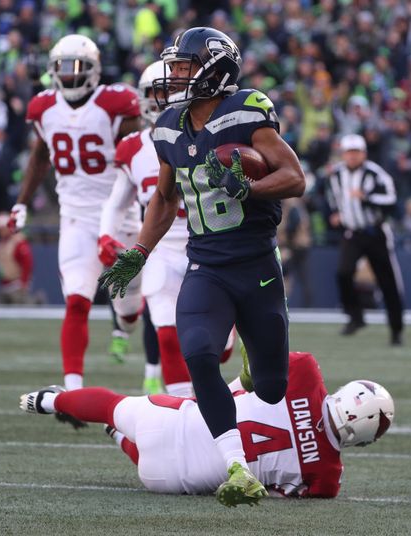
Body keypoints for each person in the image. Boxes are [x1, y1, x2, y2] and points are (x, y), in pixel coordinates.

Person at [98, 27, 306, 507]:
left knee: (273, 389)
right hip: (206, 265)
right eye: (175, 67)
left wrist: (248, 189)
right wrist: (140, 252)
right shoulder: (168, 126)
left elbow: (294, 177)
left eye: (184, 67)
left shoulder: (247, 111)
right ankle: (238, 468)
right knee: (196, 353)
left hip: (256, 267)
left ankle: (256, 368)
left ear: (215, 70)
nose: (174, 76)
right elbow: (165, 199)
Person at [19, 351, 394, 499]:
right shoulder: (326, 478)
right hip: (168, 480)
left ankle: (50, 400)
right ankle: (116, 435)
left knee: (113, 405)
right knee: (151, 454)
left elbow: (263, 356)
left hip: (172, 418)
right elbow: (279, 494)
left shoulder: (306, 372)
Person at [8, 34, 143, 393]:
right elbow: (39, 157)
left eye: (77, 66)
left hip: (122, 216)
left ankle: (125, 323)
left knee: (129, 311)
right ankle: (72, 390)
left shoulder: (115, 103)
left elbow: (141, 153)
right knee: (78, 300)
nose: (68, 75)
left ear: (94, 69)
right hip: (76, 217)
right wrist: (21, 201)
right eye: (62, 67)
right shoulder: (43, 108)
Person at [98, 60, 193, 397]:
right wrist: (105, 235)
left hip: (206, 247)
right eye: (156, 91)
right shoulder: (133, 147)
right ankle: (184, 410)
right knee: (166, 332)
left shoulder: (206, 134)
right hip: (161, 249)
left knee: (217, 347)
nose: (162, 99)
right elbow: (117, 201)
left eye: (170, 90)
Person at [325, 133, 405, 346]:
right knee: (343, 273)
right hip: (352, 232)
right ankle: (356, 317)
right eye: (348, 152)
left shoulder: (375, 174)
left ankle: (396, 330)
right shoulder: (336, 175)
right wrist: (335, 213)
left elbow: (392, 200)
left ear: (364, 154)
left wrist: (367, 198)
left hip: (375, 232)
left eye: (356, 152)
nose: (352, 157)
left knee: (387, 283)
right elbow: (333, 197)